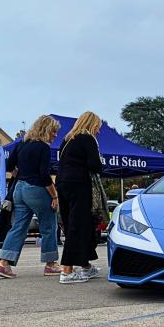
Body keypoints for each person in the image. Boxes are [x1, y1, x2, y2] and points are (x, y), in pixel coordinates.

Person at [0, 115, 63, 279]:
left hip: (19, 189)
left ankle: (4, 263)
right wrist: (54, 196)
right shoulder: (44, 148)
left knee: (18, 226)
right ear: (46, 130)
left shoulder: (21, 144)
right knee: (48, 226)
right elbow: (44, 175)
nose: (55, 136)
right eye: (53, 132)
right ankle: (51, 263)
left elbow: (10, 166)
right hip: (37, 189)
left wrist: (21, 175)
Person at [57, 111, 104, 283]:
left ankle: (85, 266)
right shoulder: (88, 138)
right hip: (79, 185)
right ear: (92, 124)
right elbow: (95, 165)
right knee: (78, 226)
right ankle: (67, 271)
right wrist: (101, 163)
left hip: (63, 183)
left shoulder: (67, 139)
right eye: (98, 127)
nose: (98, 131)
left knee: (77, 225)